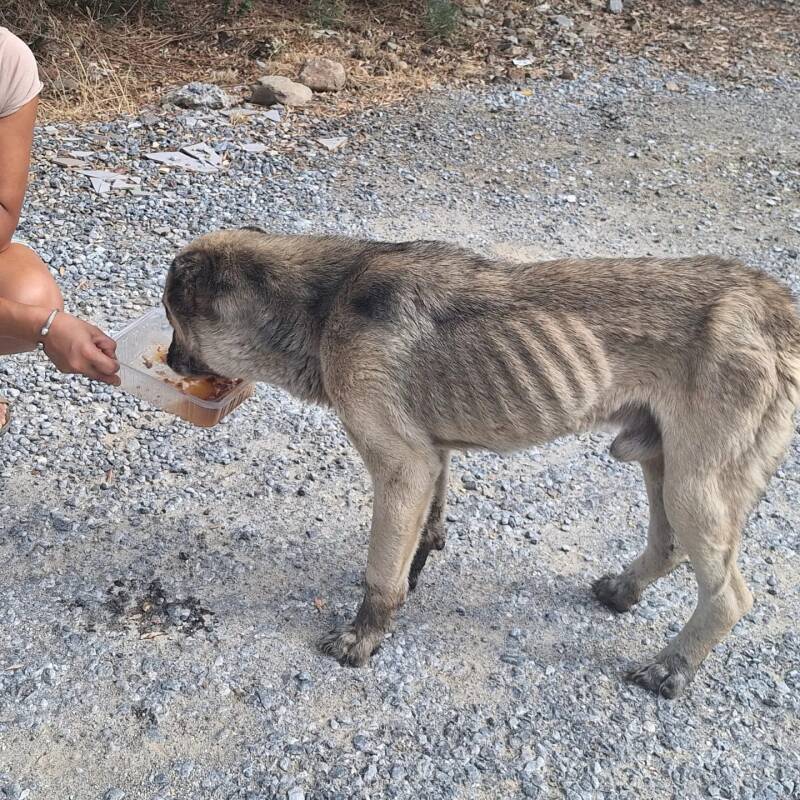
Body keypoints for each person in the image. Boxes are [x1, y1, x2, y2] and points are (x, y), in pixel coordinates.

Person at [0, 26, 119, 435]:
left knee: (29, 294)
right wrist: (42, 326)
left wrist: (42, 319)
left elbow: (2, 210)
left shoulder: (5, 58)